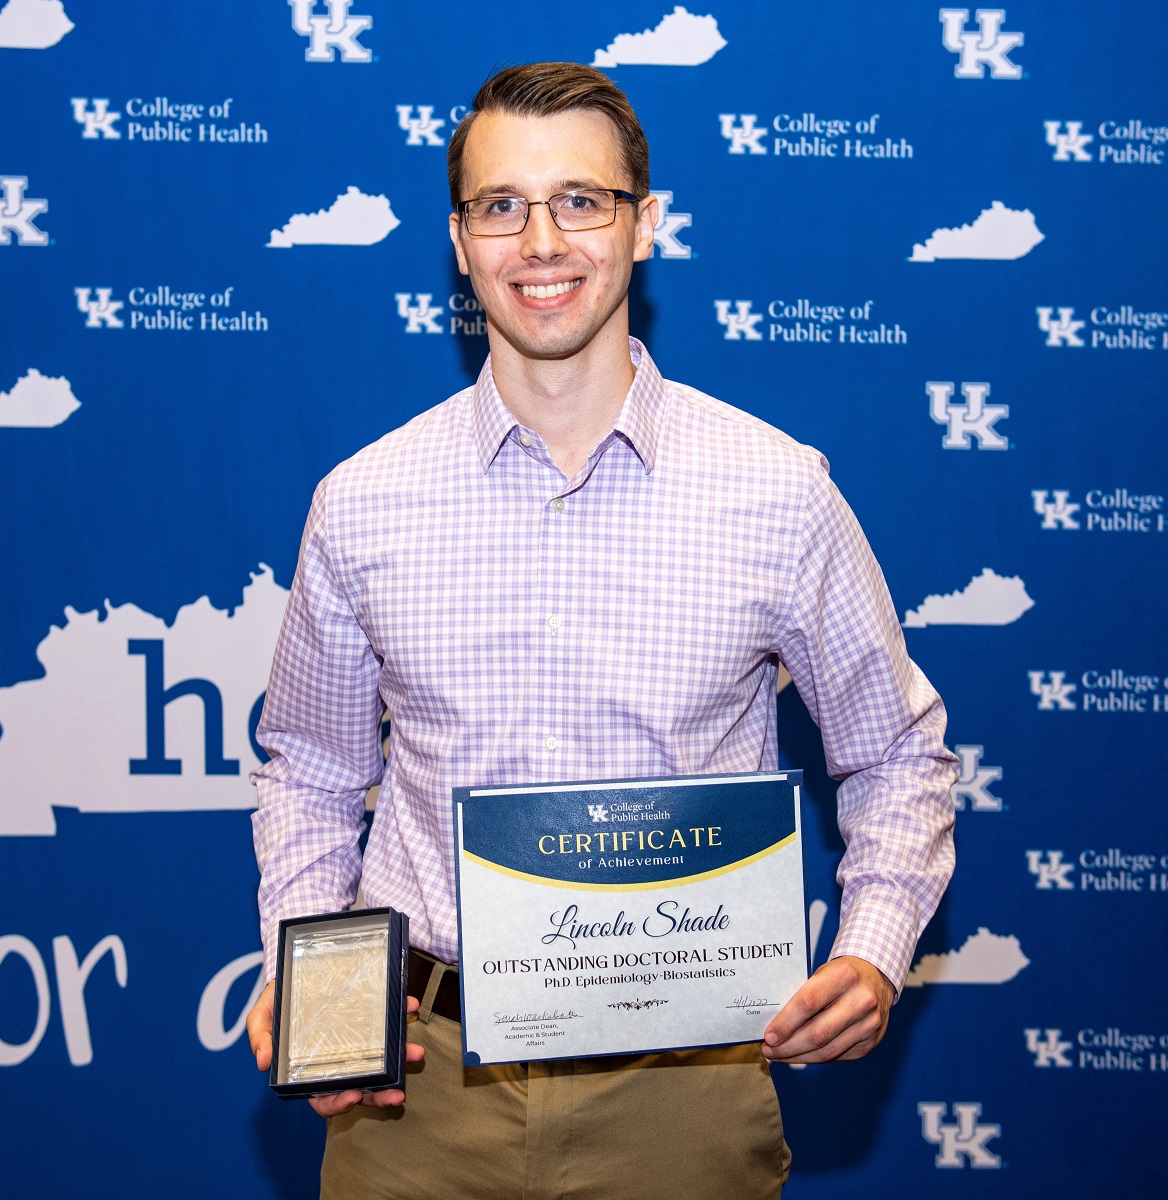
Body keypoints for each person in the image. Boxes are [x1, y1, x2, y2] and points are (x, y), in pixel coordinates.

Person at [246, 62, 956, 1199]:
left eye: (582, 200)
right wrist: (319, 989)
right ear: (460, 239)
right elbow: (314, 772)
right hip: (420, 1091)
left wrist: (873, 948)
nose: (542, 241)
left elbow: (896, 756)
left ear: (645, 227)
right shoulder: (363, 501)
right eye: (501, 206)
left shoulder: (779, 491)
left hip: (686, 1091)